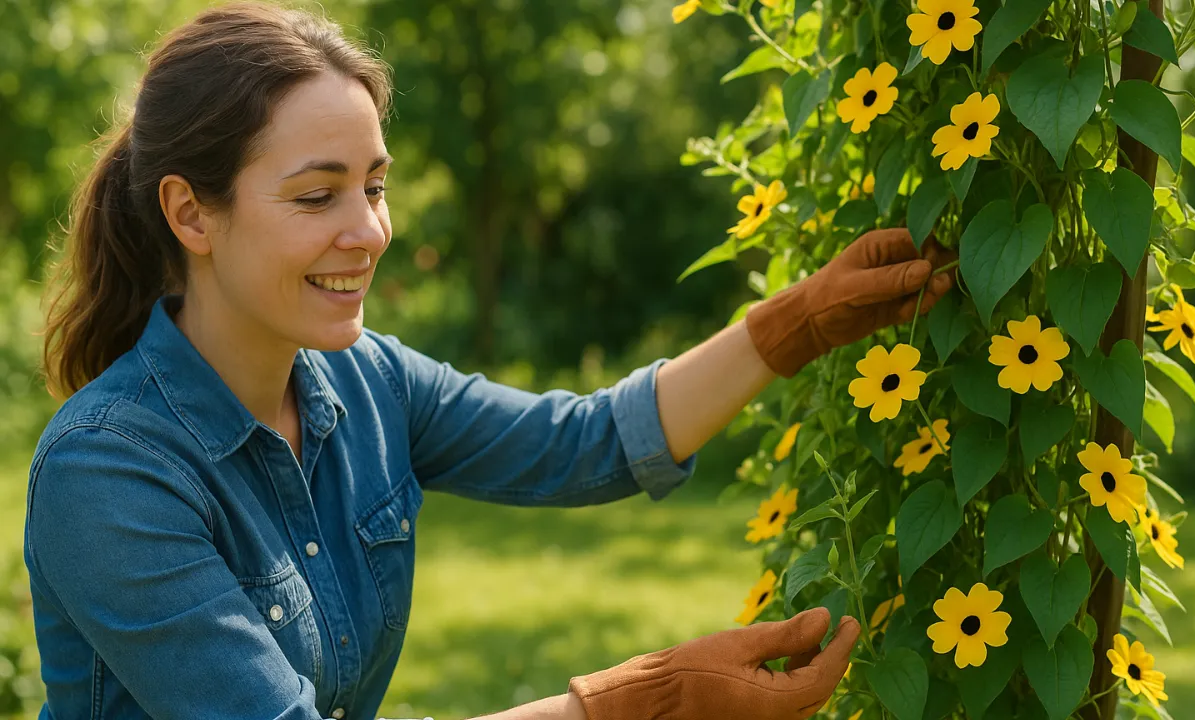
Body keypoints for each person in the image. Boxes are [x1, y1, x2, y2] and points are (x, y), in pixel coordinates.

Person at [25, 2, 955, 719]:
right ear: (192, 214)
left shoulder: (367, 382)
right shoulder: (110, 472)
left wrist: (794, 325)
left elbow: (583, 443)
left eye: (375, 186)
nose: (370, 232)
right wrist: (637, 701)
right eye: (318, 196)